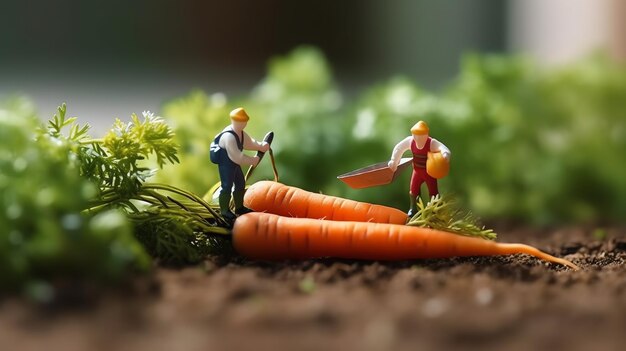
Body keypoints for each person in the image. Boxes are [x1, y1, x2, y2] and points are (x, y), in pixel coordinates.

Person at [210, 107, 270, 221]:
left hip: (234, 164)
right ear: (234, 121)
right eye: (241, 121)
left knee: (240, 183)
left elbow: (250, 143)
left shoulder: (241, 134)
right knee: (226, 186)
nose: (243, 124)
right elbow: (237, 157)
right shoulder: (229, 137)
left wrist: (262, 146)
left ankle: (239, 208)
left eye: (244, 122)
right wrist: (253, 160)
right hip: (226, 164)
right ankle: (225, 211)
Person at [388, 121, 450, 217]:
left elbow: (442, 147)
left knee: (433, 191)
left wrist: (445, 153)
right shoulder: (410, 141)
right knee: (413, 189)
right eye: (416, 135)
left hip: (429, 172)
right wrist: (394, 161)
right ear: (413, 134)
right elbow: (399, 148)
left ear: (426, 134)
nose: (418, 137)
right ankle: (413, 209)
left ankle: (436, 210)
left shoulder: (431, 143)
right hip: (417, 171)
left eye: (421, 135)